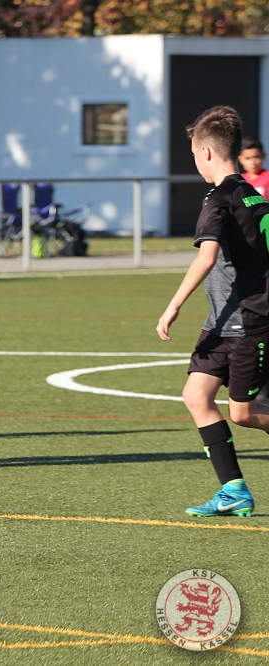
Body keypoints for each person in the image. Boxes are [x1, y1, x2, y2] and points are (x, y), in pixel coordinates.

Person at [156, 105, 269, 518]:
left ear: (205, 152)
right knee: (195, 395)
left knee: (244, 413)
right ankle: (233, 490)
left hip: (248, 320)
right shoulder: (252, 193)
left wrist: (172, 305)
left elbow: (206, 257)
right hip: (223, 319)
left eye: (193, 155)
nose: (195, 162)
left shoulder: (220, 198)